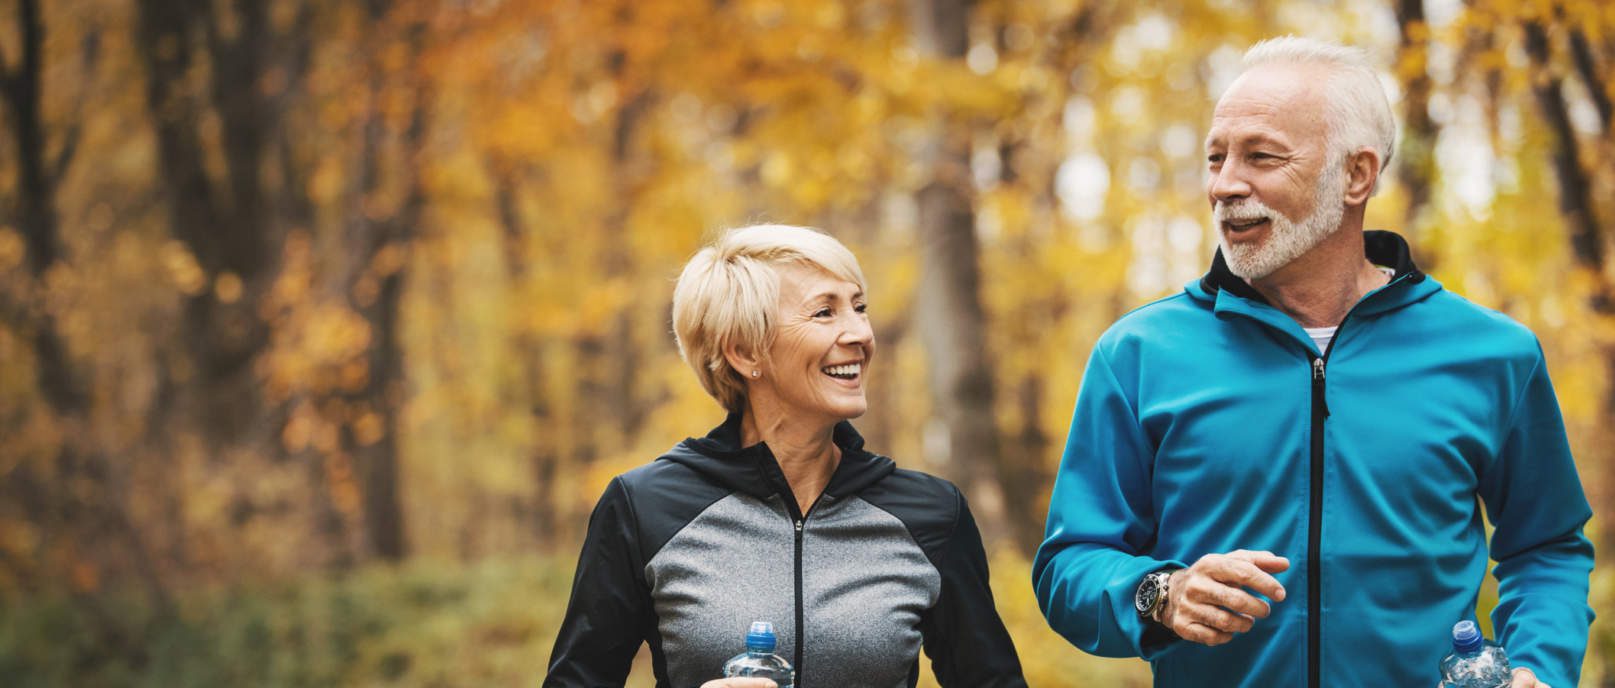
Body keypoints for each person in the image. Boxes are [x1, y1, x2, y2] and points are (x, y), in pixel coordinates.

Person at [1032, 36, 1594, 688]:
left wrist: (1538, 667)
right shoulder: (1137, 354)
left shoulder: (1492, 354)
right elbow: (1068, 564)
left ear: (1356, 175)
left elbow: (1546, 545)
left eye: (1260, 157)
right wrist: (1161, 591)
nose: (1223, 185)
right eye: (1214, 158)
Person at [545, 224, 1026, 688]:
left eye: (859, 308)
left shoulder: (931, 514)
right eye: (825, 313)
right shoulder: (643, 506)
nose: (860, 333)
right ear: (745, 352)